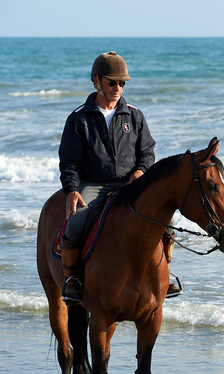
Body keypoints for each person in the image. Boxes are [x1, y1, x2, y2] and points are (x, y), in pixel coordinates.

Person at [59, 51, 177, 304]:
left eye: (121, 83)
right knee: (75, 223)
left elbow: (147, 152)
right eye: (112, 82)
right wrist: (71, 189)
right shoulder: (78, 118)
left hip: (130, 183)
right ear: (96, 81)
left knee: (165, 220)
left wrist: (140, 172)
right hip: (94, 184)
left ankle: (166, 277)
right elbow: (68, 161)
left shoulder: (135, 115)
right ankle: (73, 281)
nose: (117, 88)